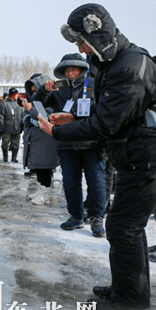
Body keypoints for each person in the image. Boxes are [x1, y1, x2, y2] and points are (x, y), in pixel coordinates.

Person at [39, 3, 156, 310]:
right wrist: (71, 116)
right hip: (135, 156)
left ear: (98, 35)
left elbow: (109, 123)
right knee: (127, 227)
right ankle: (127, 288)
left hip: (147, 158)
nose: (80, 50)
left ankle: (131, 303)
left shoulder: (130, 66)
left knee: (123, 227)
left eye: (81, 42)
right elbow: (108, 111)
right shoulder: (115, 62)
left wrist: (56, 131)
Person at [33, 53, 107, 237]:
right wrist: (44, 90)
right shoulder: (58, 90)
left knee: (97, 183)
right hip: (66, 143)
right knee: (70, 183)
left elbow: (103, 111)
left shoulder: (95, 85)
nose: (70, 72)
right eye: (66, 70)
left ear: (82, 69)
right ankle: (76, 216)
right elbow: (36, 102)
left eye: (73, 69)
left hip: (92, 143)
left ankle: (97, 217)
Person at [21, 74, 59, 205]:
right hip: (35, 138)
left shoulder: (51, 101)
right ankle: (41, 190)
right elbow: (26, 117)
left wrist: (31, 112)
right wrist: (27, 118)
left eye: (36, 90)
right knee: (38, 167)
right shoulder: (32, 102)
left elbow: (46, 117)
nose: (34, 93)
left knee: (44, 167)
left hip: (45, 139)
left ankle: (45, 193)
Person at [0, 87, 23, 163]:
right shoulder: (4, 103)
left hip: (17, 127)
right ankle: (5, 157)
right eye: (15, 94)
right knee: (5, 143)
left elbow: (23, 114)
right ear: (11, 95)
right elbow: (1, 116)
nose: (17, 96)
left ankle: (14, 158)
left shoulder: (19, 103)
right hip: (6, 127)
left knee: (16, 144)